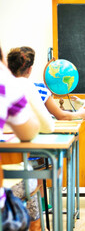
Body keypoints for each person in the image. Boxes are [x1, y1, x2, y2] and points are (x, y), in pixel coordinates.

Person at [0, 44, 40, 230]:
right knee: (30, 176)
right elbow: (29, 132)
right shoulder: (8, 84)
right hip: (6, 188)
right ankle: (36, 226)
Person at [7, 46, 85, 121]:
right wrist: (80, 114)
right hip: (29, 135)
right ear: (29, 69)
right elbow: (61, 116)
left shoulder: (3, 88)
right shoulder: (40, 89)